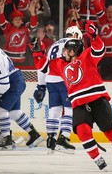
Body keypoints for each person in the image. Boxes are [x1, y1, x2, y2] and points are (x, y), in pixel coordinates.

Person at [32, 20, 112, 170]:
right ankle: (97, 158)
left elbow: (99, 50)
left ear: (73, 51)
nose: (63, 52)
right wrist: (37, 53)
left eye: (66, 50)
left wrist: (94, 36)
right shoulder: (59, 64)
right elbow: (42, 66)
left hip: (98, 99)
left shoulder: (87, 56)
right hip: (79, 104)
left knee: (111, 131)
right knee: (82, 131)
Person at [0, 34, 43, 150]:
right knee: (14, 112)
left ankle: (7, 140)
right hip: (15, 80)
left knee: (0, 110)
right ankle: (34, 135)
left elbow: (4, 85)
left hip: (13, 83)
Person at [31, 25, 83, 154]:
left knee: (55, 110)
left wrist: (41, 85)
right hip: (64, 79)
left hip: (50, 80)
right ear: (76, 35)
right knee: (70, 109)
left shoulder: (54, 45)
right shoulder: (72, 45)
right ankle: (63, 138)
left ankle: (51, 139)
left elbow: (43, 67)